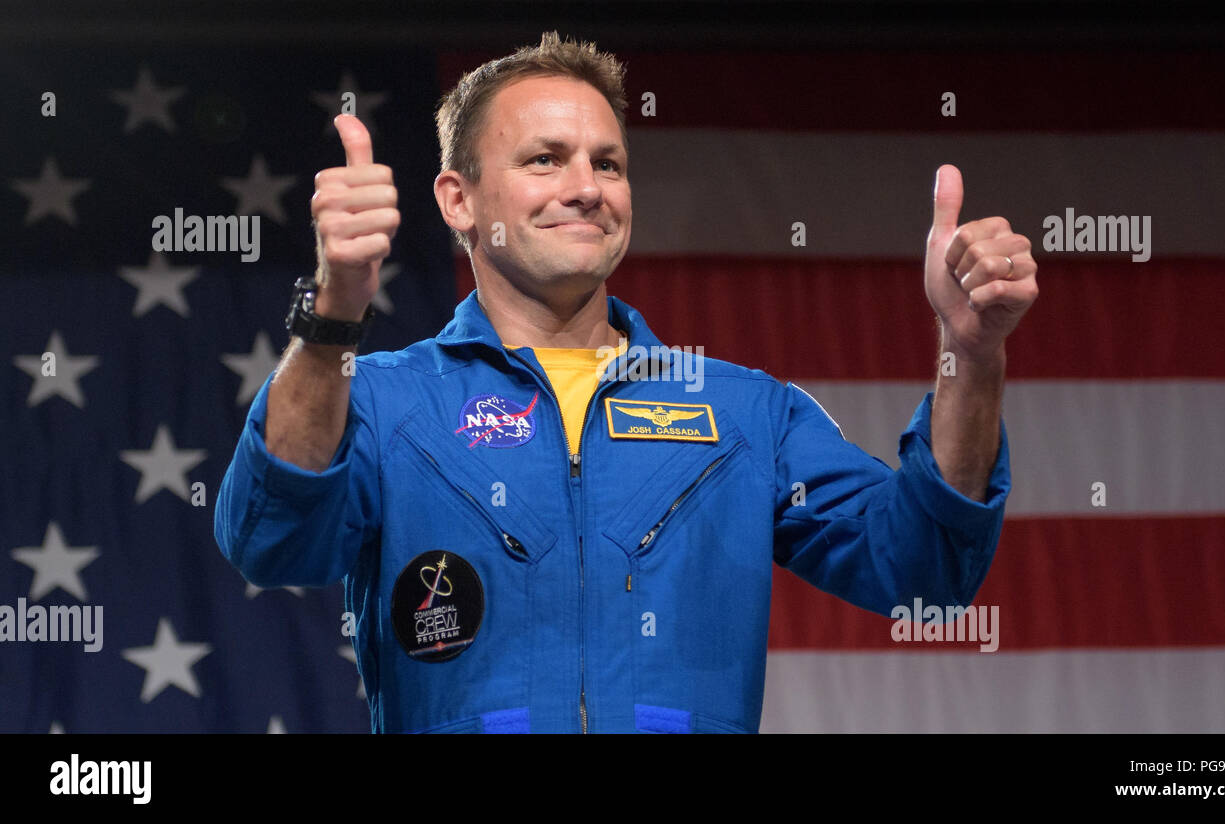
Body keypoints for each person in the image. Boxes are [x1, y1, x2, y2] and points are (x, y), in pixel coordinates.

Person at [214, 32, 1038, 733]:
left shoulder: (744, 410)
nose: (586, 188)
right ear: (459, 201)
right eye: (545, 159)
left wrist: (970, 352)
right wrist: (333, 316)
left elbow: (924, 566)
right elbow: (270, 540)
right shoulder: (389, 401)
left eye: (607, 163)